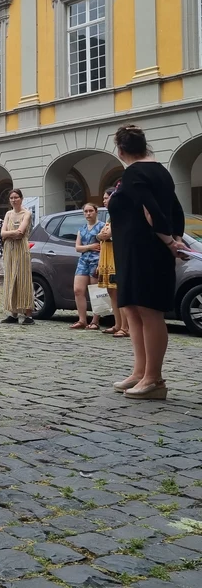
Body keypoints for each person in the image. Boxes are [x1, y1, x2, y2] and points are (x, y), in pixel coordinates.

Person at [109, 125, 185, 401]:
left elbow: (151, 210)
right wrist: (176, 236)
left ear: (121, 151)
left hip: (146, 251)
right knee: (132, 308)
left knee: (150, 311)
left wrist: (170, 242)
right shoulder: (160, 171)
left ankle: (154, 378)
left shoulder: (134, 174)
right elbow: (176, 209)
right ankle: (140, 371)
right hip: (133, 252)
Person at [97, 187, 129, 337]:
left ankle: (125, 326)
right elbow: (100, 235)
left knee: (119, 291)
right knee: (112, 292)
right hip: (107, 256)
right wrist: (103, 235)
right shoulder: (109, 217)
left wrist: (104, 235)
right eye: (103, 198)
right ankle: (117, 324)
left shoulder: (120, 215)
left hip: (116, 257)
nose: (104, 200)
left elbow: (107, 234)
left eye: (106, 198)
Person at [1, 189, 34, 325]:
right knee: (10, 279)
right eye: (11, 198)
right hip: (9, 249)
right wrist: (12, 234)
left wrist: (10, 233)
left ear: (21, 198)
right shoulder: (8, 214)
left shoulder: (27, 213)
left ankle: (28, 315)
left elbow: (21, 231)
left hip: (21, 249)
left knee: (23, 280)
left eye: (16, 197)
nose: (14, 200)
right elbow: (2, 233)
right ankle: (13, 313)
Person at [70, 203, 105, 330]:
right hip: (83, 260)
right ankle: (82, 319)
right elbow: (77, 248)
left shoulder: (102, 227)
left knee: (96, 291)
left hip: (96, 260)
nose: (88, 213)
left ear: (96, 212)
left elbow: (103, 247)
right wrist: (90, 247)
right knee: (78, 290)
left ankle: (95, 321)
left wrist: (101, 264)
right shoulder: (82, 228)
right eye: (86, 211)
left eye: (91, 211)